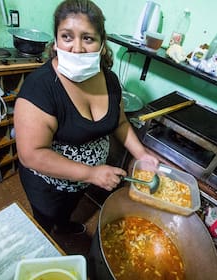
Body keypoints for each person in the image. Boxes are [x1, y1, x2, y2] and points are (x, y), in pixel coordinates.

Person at [14, 0, 158, 235]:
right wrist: (92, 173)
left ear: (102, 44)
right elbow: (32, 155)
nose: (77, 48)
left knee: (67, 211)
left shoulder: (109, 80)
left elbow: (120, 122)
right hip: (50, 184)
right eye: (67, 37)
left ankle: (64, 224)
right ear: (56, 41)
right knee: (46, 222)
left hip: (82, 183)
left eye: (88, 38)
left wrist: (142, 154)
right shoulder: (40, 88)